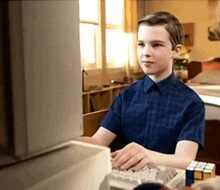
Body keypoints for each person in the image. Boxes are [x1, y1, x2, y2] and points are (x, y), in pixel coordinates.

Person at [80, 11, 205, 172]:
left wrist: (147, 155)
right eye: (141, 44)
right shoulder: (126, 95)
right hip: (126, 177)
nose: (145, 52)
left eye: (156, 45)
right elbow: (97, 142)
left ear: (176, 50)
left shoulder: (192, 103)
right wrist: (61, 144)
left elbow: (185, 160)